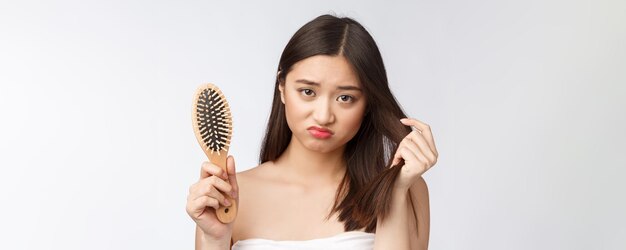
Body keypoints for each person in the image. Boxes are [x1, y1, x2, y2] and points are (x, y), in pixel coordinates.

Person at [186, 14, 438, 250]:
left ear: (368, 103)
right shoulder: (228, 197)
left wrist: (393, 193)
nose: (323, 115)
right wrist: (214, 239)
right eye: (308, 92)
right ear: (282, 87)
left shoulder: (406, 191)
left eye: (345, 97)